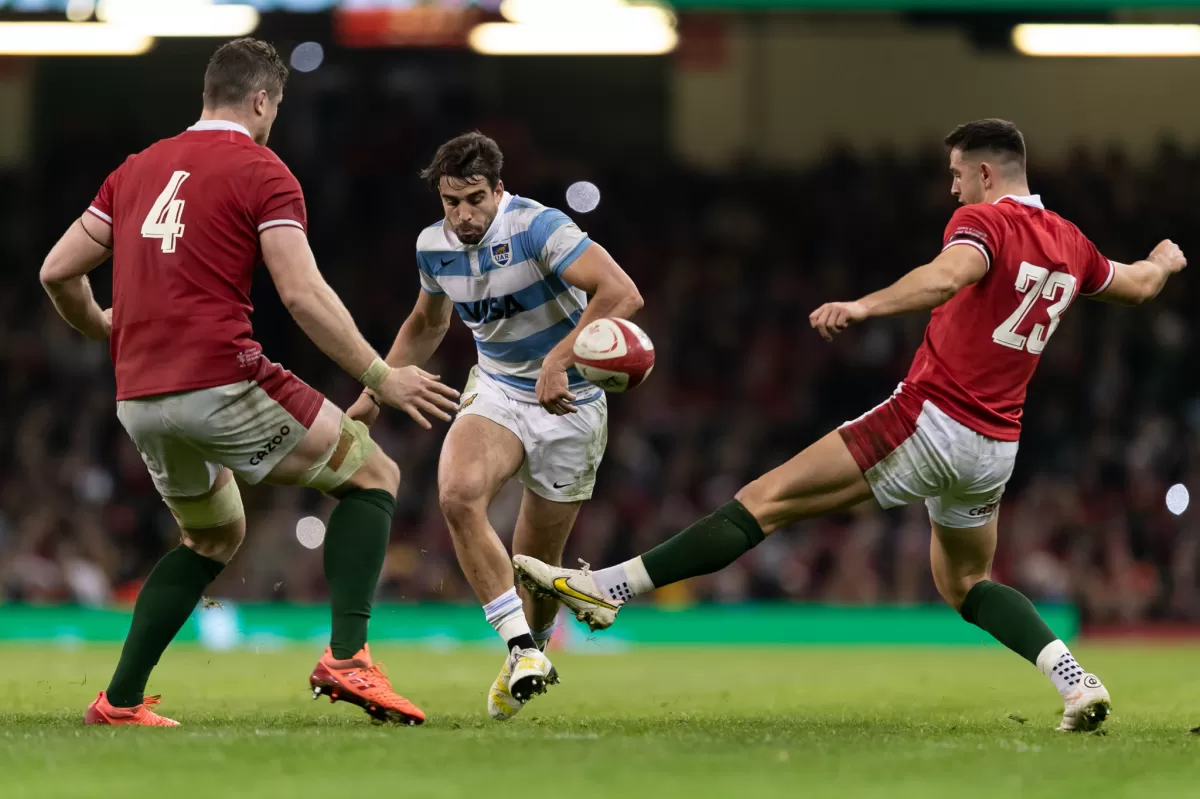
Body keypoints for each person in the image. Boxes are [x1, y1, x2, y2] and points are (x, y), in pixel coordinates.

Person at [513, 118, 1188, 733]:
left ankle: (609, 589)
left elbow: (947, 275)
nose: (953, 191)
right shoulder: (1069, 241)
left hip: (929, 417)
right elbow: (1137, 284)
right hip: (996, 445)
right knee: (966, 582)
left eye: (956, 176)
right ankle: (1076, 680)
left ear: (986, 174)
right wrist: (1164, 259)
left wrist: (865, 306)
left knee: (765, 500)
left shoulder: (987, 223)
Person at [39, 38, 458, 727]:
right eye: (276, 107)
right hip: (217, 376)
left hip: (137, 395)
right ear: (262, 99)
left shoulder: (137, 168)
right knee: (373, 473)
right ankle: (348, 657)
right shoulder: (263, 169)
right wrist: (382, 374)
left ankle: (118, 700)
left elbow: (57, 270)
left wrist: (102, 326)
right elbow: (301, 293)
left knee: (211, 536)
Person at [347, 132, 642, 719]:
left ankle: (526, 652)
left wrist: (560, 361)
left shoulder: (538, 227)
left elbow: (622, 293)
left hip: (572, 404)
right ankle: (521, 649)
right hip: (501, 389)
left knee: (537, 570)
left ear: (498, 189)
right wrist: (374, 391)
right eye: (450, 202)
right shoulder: (433, 246)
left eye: (474, 199)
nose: (462, 215)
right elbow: (426, 325)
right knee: (458, 495)